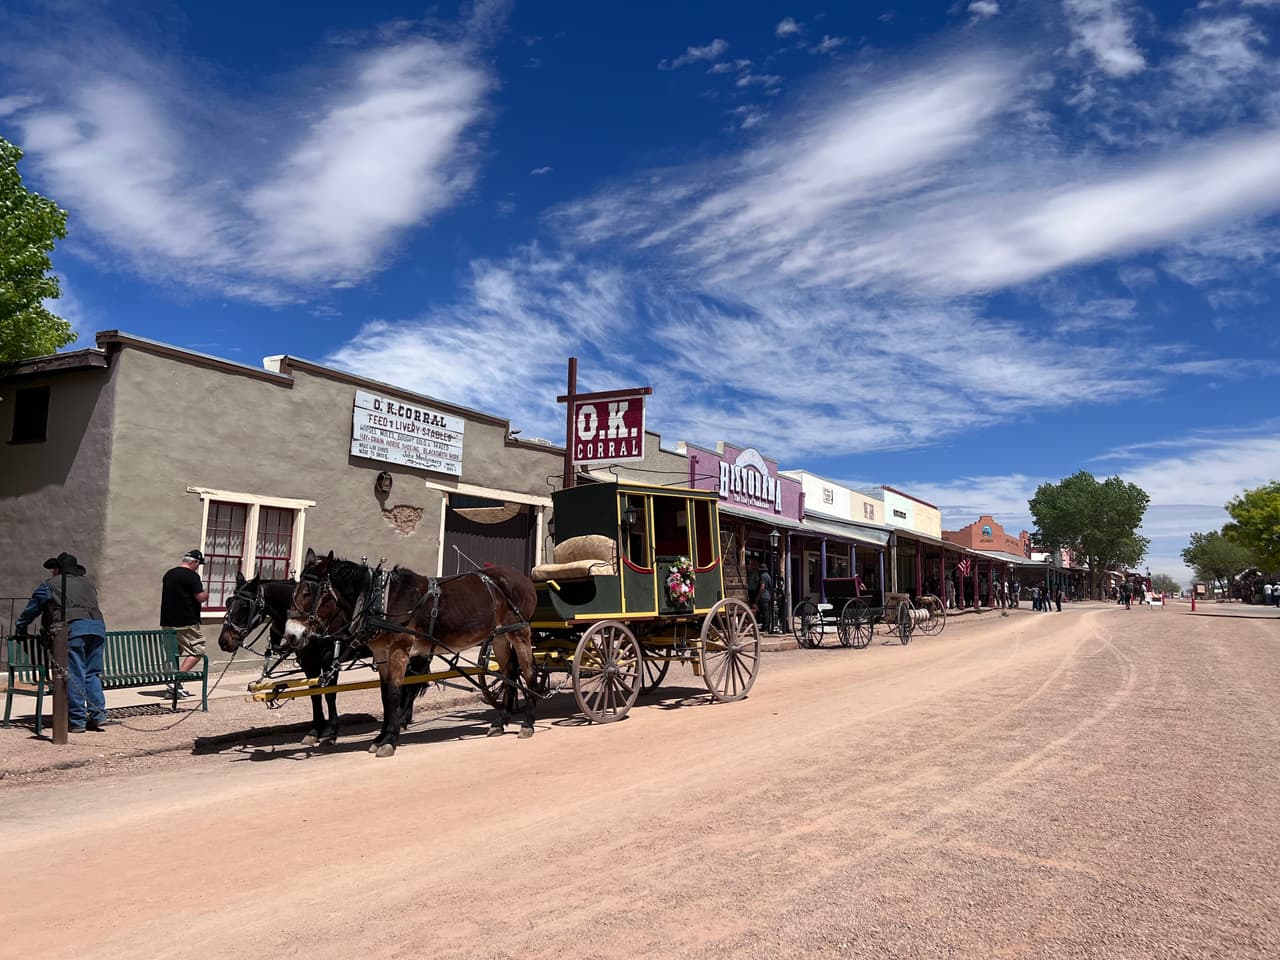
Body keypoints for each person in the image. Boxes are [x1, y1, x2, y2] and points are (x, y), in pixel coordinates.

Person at [15, 552, 109, 732]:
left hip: (73, 630)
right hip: (97, 628)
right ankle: (98, 715)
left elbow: (33, 608)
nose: (52, 572)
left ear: (58, 569)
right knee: (92, 674)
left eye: (53, 569)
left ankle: (77, 720)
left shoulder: (50, 585)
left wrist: (21, 627)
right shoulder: (88, 584)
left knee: (74, 674)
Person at [160, 549, 209, 698]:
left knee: (173, 654)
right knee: (198, 651)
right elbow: (200, 598)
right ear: (194, 562)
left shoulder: (169, 574)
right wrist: (206, 594)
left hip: (167, 621)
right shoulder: (192, 577)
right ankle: (177, 680)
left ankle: (174, 686)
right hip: (187, 621)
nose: (198, 567)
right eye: (198, 564)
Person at [757, 566, 774, 633]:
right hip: (768, 596)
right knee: (767, 612)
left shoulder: (763, 576)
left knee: (765, 612)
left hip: (764, 596)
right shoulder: (768, 575)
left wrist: (758, 596)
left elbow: (762, 586)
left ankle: (765, 627)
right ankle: (766, 626)